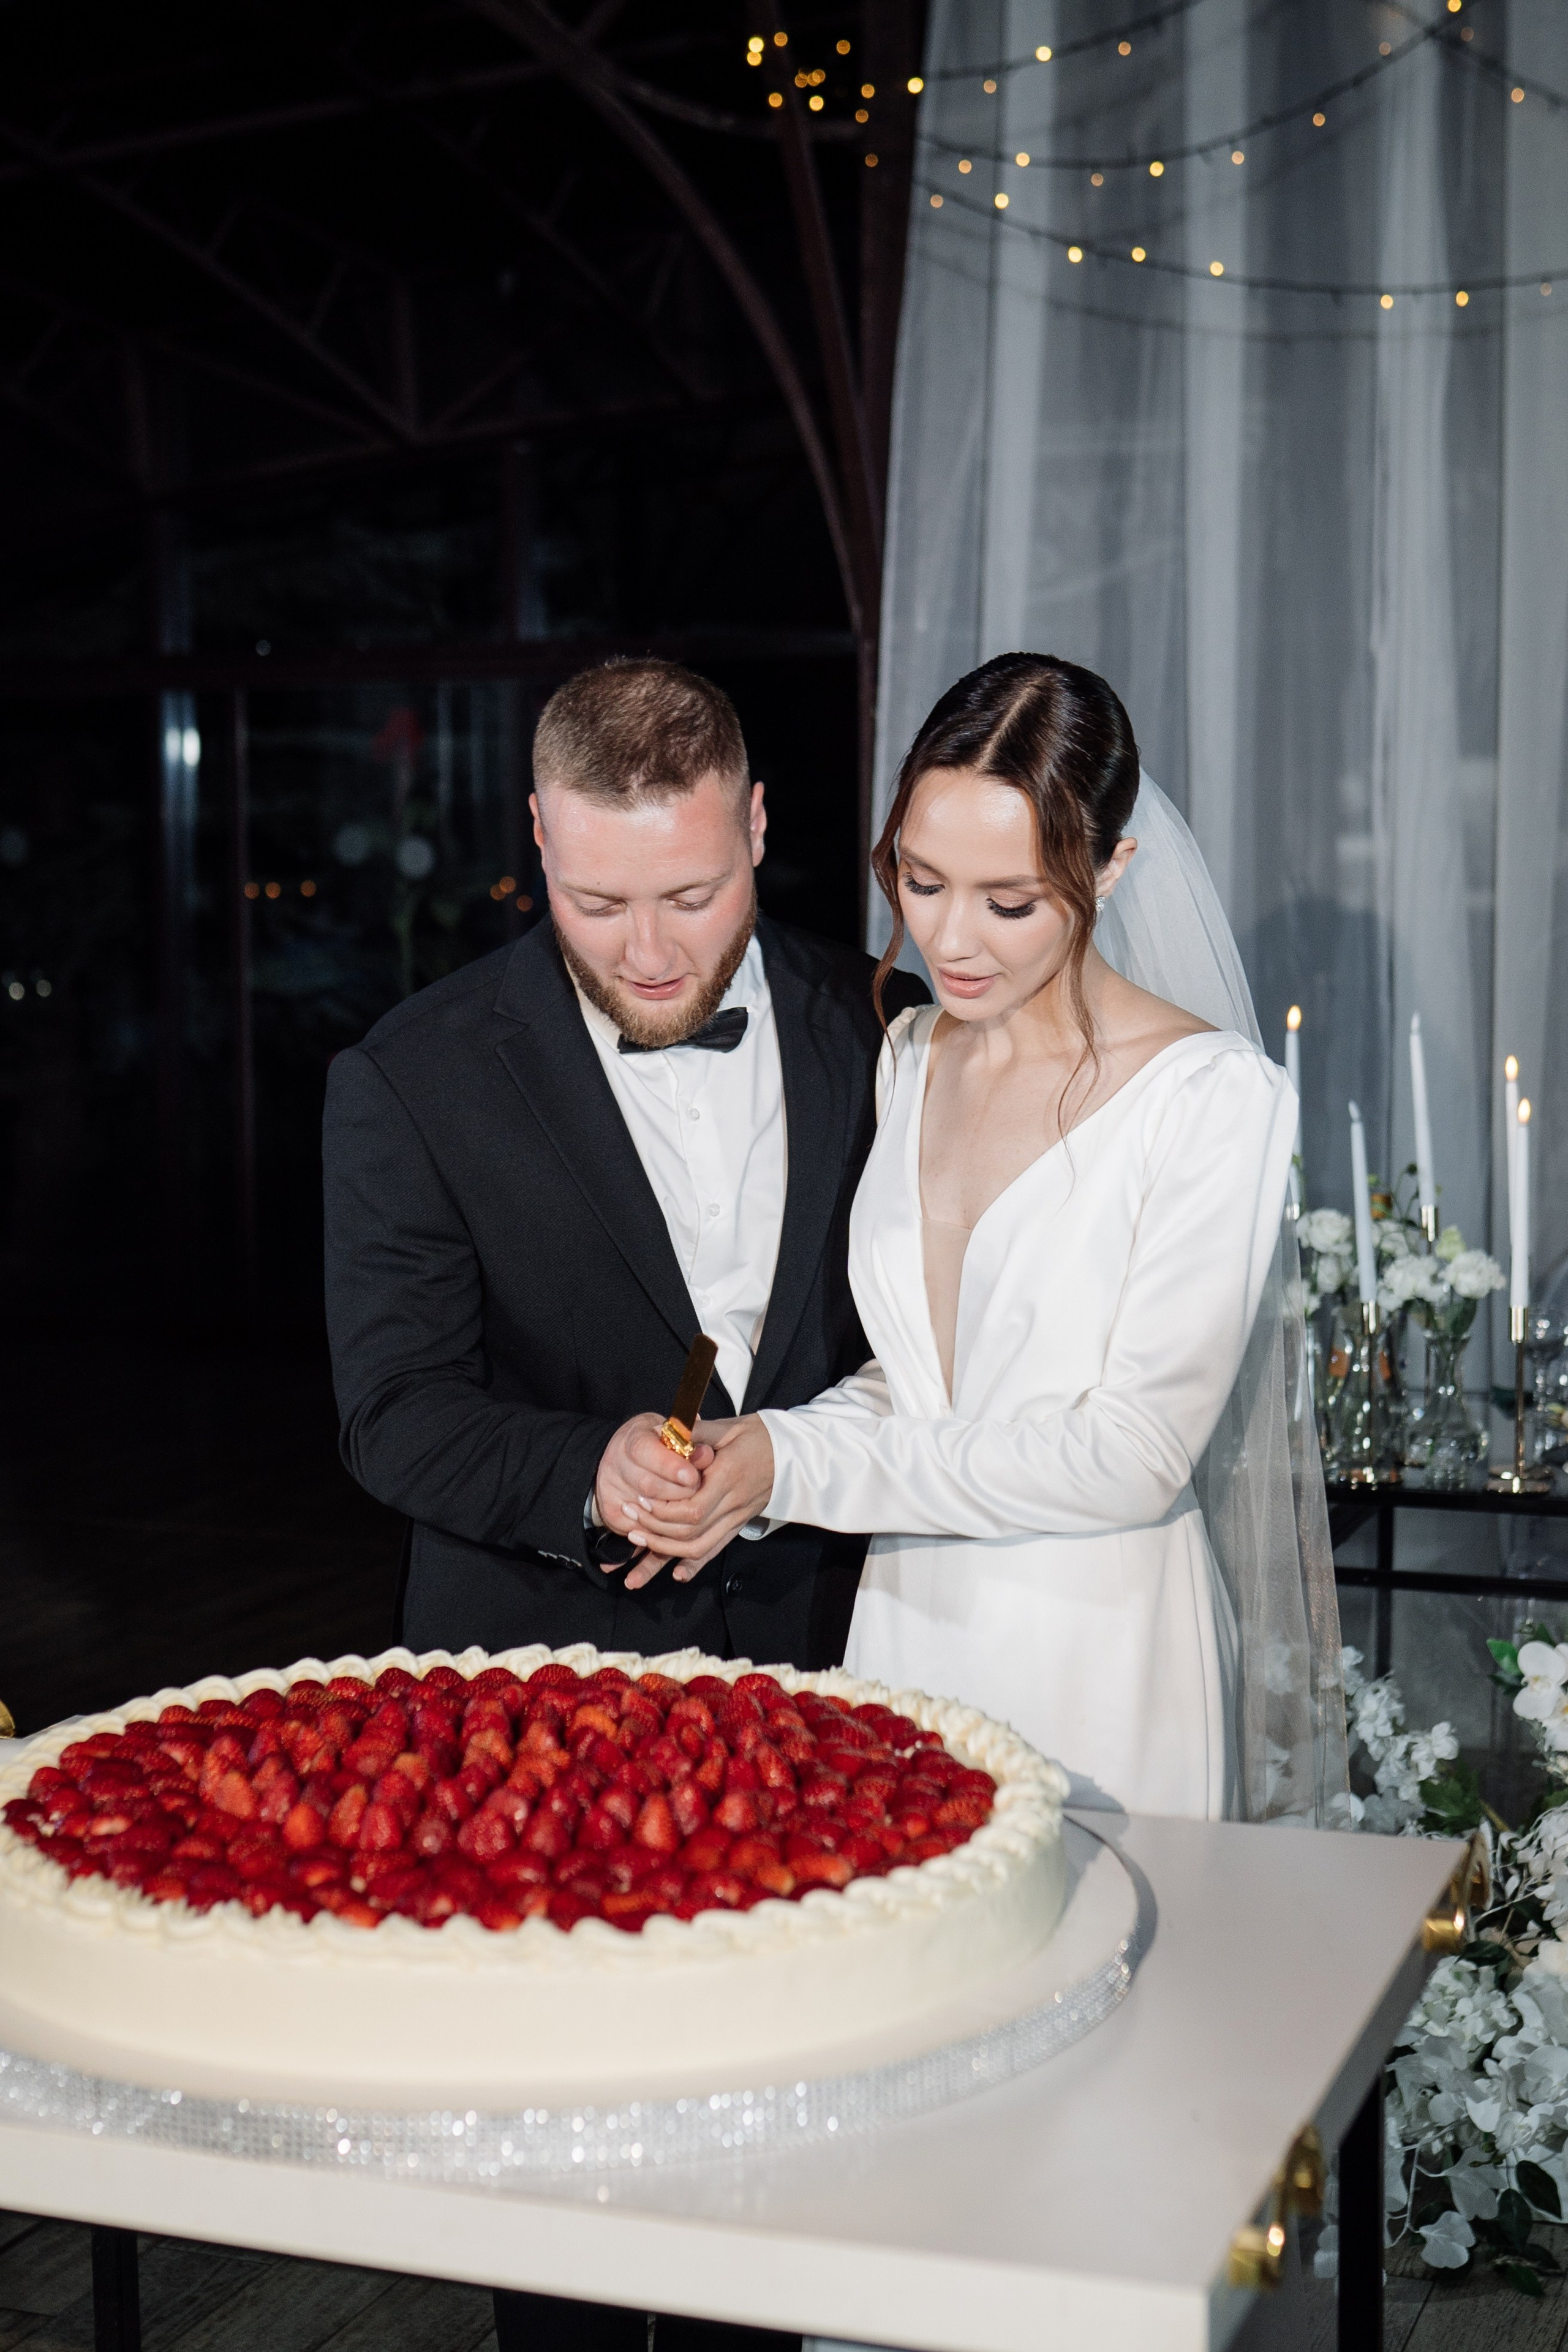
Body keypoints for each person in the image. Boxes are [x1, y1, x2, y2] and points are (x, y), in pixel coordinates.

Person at [323, 657, 924, 2352]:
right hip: (541, 1717)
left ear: (756, 825)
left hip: (830, 1676)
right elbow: (394, 1412)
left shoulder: (884, 1032)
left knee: (787, 2177)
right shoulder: (411, 1075)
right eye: (597, 902)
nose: (651, 951)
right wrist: (582, 1471)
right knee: (571, 2232)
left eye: (693, 892)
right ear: (533, 841)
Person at [616, 654, 1346, 1825]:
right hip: (908, 1620)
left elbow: (1132, 1454)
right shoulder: (913, 1055)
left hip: (1100, 1642)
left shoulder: (1212, 1097)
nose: (951, 939)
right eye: (920, 880)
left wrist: (803, 1469)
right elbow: (923, 1379)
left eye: (1009, 902)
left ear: (1111, 869)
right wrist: (760, 1447)